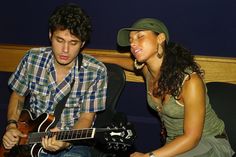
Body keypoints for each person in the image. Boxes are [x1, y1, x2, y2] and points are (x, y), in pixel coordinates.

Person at [98, 18, 235, 157]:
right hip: (175, 143)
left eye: (140, 36)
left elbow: (192, 138)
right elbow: (129, 62)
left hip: (207, 143)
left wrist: (149, 156)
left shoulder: (189, 81)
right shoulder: (148, 71)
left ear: (160, 38)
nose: (132, 43)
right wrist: (98, 58)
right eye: (131, 39)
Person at [2, 3, 107, 157]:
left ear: (83, 43)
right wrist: (11, 126)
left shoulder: (96, 71)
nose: (65, 50)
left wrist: (67, 141)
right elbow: (18, 95)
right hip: (30, 138)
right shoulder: (32, 58)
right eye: (59, 40)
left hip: (73, 142)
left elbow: (86, 117)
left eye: (73, 43)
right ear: (50, 35)